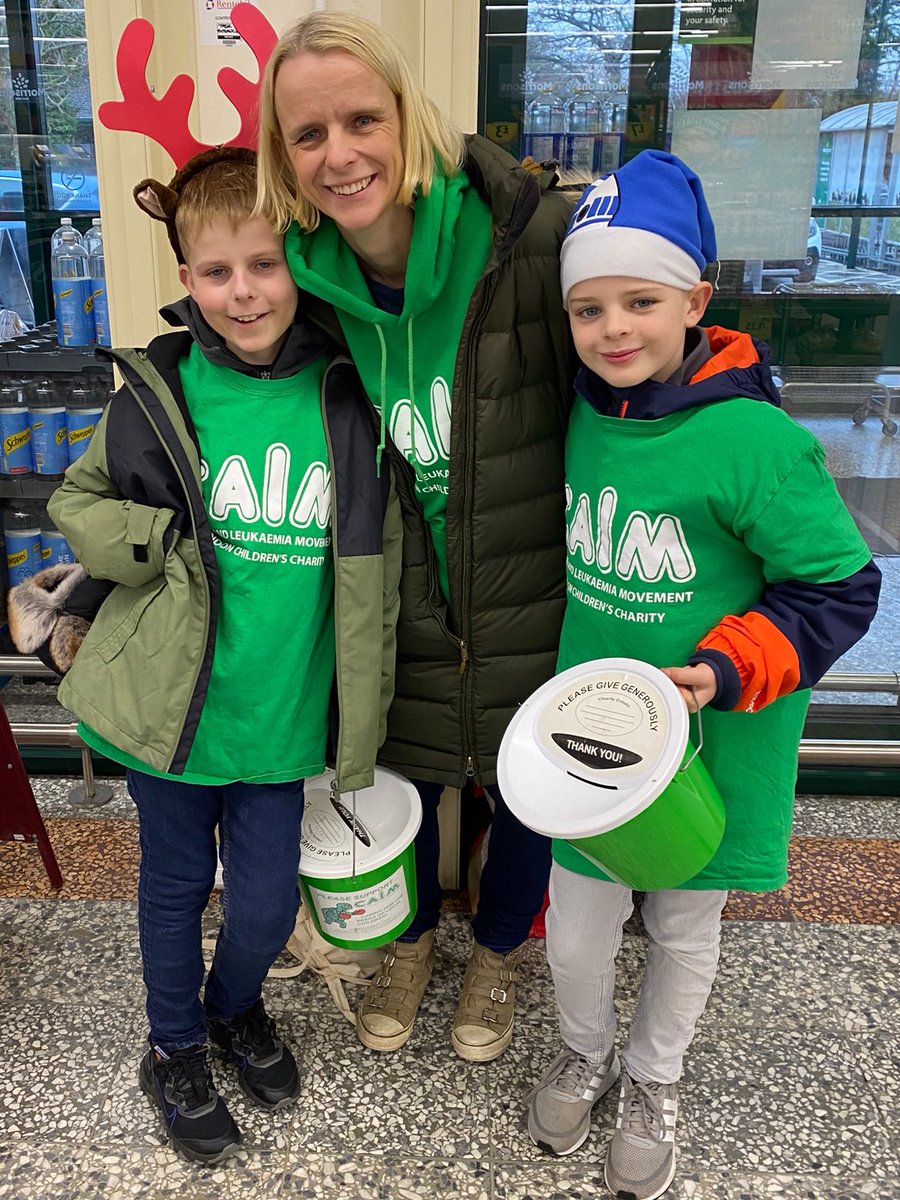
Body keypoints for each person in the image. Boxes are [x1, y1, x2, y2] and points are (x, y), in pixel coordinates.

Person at [524, 150, 881, 1200]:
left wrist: (726, 669)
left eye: (640, 300)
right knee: (578, 928)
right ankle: (585, 1050)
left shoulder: (756, 442)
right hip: (596, 734)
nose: (614, 328)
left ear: (697, 298)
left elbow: (837, 588)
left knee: (684, 922)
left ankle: (652, 1077)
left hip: (714, 733)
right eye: (589, 309)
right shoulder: (581, 412)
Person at [33, 147, 401, 1164]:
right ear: (186, 278)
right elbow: (77, 502)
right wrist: (149, 541)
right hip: (169, 714)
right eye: (215, 271)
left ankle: (236, 1006)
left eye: (265, 265)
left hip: (279, 718)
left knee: (270, 901)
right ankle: (177, 1045)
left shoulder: (348, 393)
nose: (243, 292)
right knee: (173, 884)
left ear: (302, 266)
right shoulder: (158, 393)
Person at [254, 12, 575, 1062]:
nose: (339, 154)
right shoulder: (295, 292)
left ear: (407, 116)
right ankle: (413, 941)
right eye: (308, 135)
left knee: (527, 788)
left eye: (361, 119)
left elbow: (632, 363)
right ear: (283, 158)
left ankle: (496, 954)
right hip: (395, 598)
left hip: (528, 584)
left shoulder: (525, 240)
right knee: (405, 779)